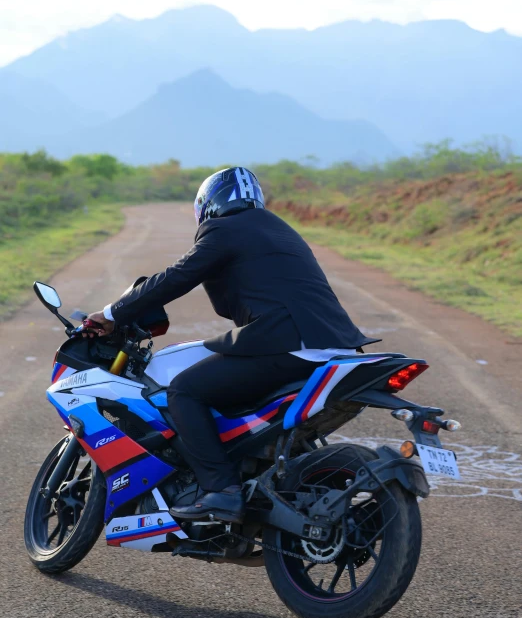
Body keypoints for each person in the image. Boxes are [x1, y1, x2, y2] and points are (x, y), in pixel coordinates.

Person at [86, 167, 379, 523]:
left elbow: (177, 276)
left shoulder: (225, 229)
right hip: (337, 346)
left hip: (289, 345)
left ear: (208, 205)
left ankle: (221, 491)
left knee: (185, 390)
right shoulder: (279, 229)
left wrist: (112, 312)